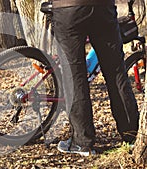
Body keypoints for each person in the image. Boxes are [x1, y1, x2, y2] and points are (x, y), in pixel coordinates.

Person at [51, 0, 140, 156]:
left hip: (67, 9)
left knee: (74, 76)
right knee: (116, 73)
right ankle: (131, 134)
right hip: (102, 7)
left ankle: (82, 142)